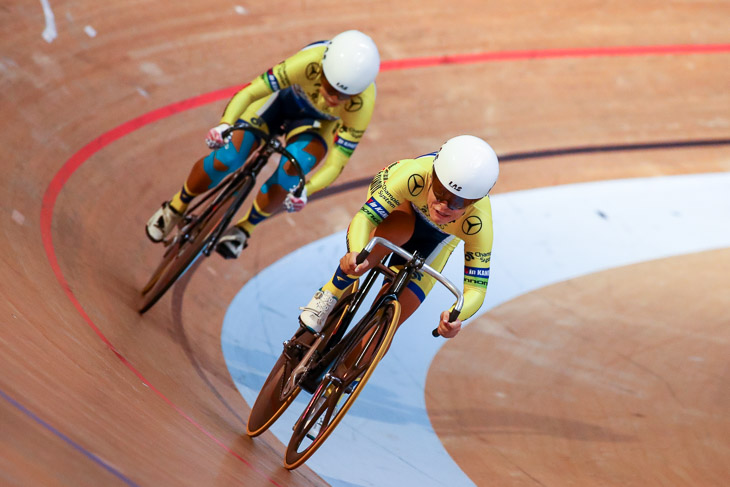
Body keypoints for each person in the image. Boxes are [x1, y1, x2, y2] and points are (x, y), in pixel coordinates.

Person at [145, 30, 380, 259]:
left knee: (291, 175)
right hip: (279, 102)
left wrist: (305, 191)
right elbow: (250, 93)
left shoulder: (362, 106)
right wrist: (225, 125)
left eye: (344, 96)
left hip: (315, 124)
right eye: (330, 88)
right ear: (323, 69)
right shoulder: (308, 62)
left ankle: (244, 229)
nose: (334, 99)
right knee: (230, 157)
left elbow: (336, 163)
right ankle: (176, 207)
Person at [299, 135, 499, 339]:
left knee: (385, 329)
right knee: (394, 234)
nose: (443, 206)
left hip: (437, 239)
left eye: (458, 202)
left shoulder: (479, 224)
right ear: (432, 175)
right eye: (440, 192)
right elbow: (365, 217)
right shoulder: (414, 174)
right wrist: (356, 253)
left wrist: (456, 316)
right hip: (402, 205)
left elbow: (476, 288)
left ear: (474, 202)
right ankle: (330, 292)